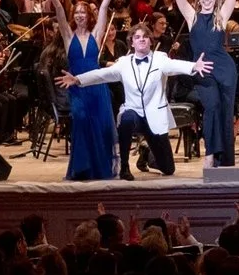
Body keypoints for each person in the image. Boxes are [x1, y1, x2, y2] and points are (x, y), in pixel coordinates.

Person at [61, 21, 213, 179]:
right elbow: (102, 74)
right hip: (134, 114)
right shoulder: (124, 63)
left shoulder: (160, 59)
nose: (142, 39)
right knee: (126, 119)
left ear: (150, 41)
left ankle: (146, 153)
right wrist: (78, 79)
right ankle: (125, 167)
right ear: (131, 42)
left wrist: (194, 66)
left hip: (155, 117)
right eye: (138, 37)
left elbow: (176, 65)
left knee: (168, 169)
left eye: (145, 37)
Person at [163, 0, 239, 169]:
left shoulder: (221, 16)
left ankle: (226, 160)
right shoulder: (192, 16)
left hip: (225, 71)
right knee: (211, 107)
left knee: (225, 111)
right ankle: (211, 153)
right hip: (203, 69)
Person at [64, 0, 130, 180]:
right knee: (81, 120)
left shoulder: (96, 34)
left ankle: (98, 168)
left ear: (88, 16)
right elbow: (57, 7)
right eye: (77, 12)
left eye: (83, 12)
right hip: (77, 87)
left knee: (101, 127)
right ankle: (82, 167)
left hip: (96, 87)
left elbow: (103, 7)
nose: (80, 15)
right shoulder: (67, 36)